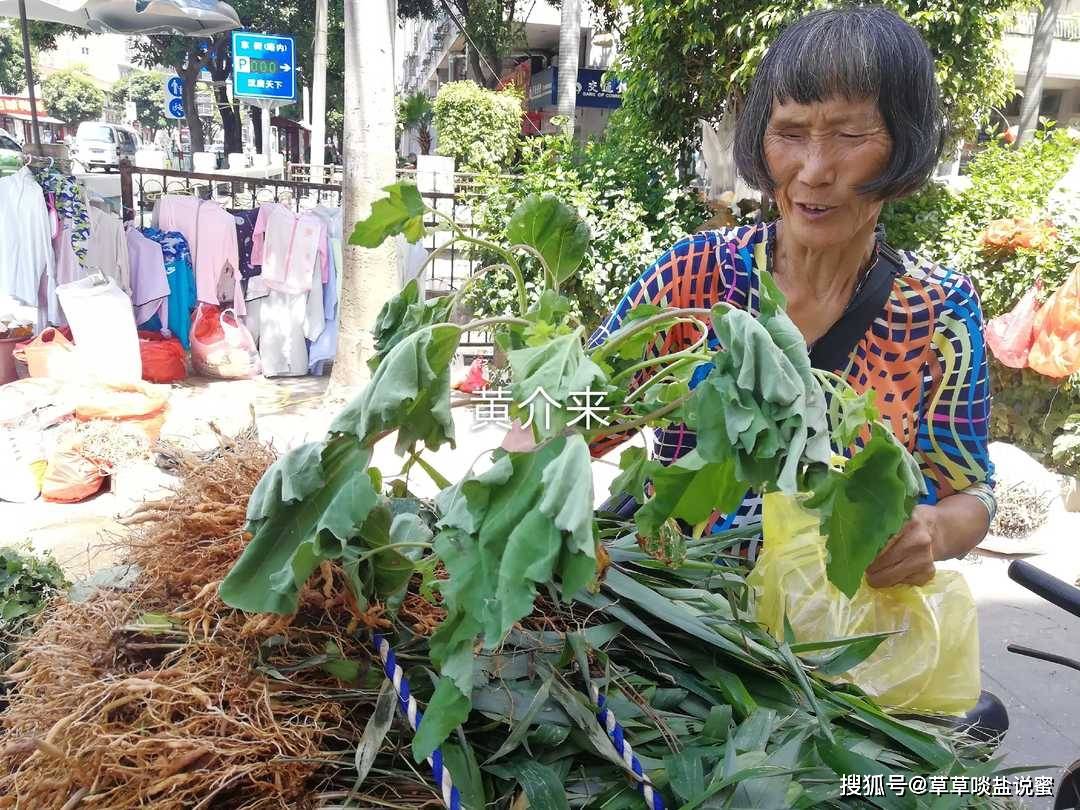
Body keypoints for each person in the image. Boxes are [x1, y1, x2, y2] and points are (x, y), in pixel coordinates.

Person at [587, 6, 996, 589]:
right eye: (790, 133)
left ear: (902, 148)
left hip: (825, 640)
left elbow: (972, 491)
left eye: (851, 135)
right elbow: (584, 410)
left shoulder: (936, 312)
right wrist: (518, 454)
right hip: (674, 616)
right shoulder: (697, 277)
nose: (814, 170)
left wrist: (932, 529)